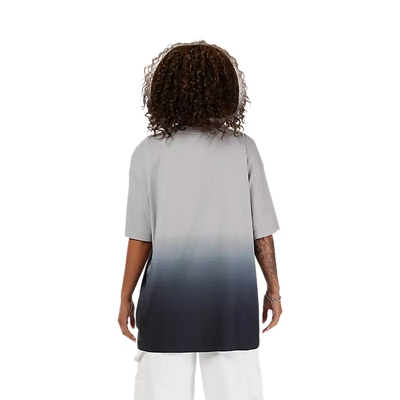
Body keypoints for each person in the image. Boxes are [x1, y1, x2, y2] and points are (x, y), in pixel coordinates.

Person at [117, 40, 282, 400]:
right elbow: (262, 234)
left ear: (164, 91)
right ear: (226, 88)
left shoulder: (147, 152)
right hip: (232, 300)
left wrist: (125, 296)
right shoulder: (243, 148)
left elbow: (141, 238)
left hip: (166, 302)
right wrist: (274, 290)